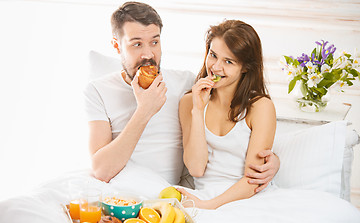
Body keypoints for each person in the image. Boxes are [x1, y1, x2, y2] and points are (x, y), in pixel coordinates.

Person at [84, 2, 279, 190]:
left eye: (154, 42)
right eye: (136, 44)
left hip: (167, 196)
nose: (147, 54)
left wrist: (274, 162)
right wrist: (144, 111)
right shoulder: (97, 91)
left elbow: (232, 116)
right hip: (119, 192)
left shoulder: (186, 84)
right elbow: (101, 170)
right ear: (117, 46)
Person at [177, 19, 277, 209]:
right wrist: (198, 111)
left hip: (247, 199)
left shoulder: (260, 107)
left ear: (245, 67)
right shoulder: (189, 101)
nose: (215, 67)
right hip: (204, 196)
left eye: (228, 61)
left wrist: (208, 206)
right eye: (213, 55)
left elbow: (253, 180)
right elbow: (196, 169)